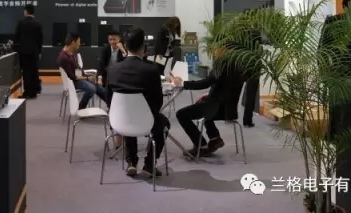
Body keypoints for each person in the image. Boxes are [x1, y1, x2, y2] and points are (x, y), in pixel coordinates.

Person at [107, 28, 169, 178]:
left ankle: (131, 162)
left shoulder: (113, 69)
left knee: (128, 116)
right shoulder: (152, 70)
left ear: (125, 46)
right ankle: (149, 164)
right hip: (146, 121)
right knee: (163, 123)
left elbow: (109, 99)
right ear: (143, 47)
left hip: (119, 121)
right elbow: (158, 102)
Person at [173, 44, 247, 159]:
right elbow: (225, 88)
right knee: (201, 103)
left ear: (224, 50)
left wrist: (183, 84)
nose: (214, 51)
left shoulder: (222, 65)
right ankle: (215, 138)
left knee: (181, 114)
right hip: (229, 109)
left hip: (216, 108)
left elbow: (205, 83)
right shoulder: (239, 66)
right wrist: (209, 95)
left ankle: (201, 145)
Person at [57, 33, 107, 109]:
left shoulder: (71, 53)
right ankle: (81, 108)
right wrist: (87, 78)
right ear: (73, 42)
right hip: (73, 82)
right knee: (92, 88)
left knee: (96, 85)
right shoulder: (64, 58)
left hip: (78, 78)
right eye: (79, 42)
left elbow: (77, 70)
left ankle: (110, 103)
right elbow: (72, 77)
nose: (79, 44)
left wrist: (87, 77)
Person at [14, 4, 43, 99]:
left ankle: (27, 92)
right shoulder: (37, 24)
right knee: (34, 70)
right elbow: (40, 40)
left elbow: (17, 38)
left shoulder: (21, 23)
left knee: (26, 72)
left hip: (24, 51)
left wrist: (15, 47)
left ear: (26, 11)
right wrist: (39, 52)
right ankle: (34, 91)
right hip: (34, 51)